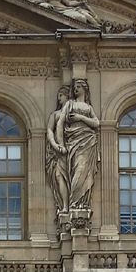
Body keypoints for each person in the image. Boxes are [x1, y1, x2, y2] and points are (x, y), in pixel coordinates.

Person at [56, 78, 100, 211]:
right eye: (74, 87)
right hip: (73, 142)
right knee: (77, 170)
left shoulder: (89, 108)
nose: (75, 89)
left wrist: (81, 118)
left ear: (84, 89)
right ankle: (74, 204)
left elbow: (96, 123)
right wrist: (61, 144)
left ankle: (79, 203)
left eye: (78, 87)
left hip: (88, 141)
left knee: (84, 170)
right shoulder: (69, 104)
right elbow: (60, 124)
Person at [45, 86, 71, 213]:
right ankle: (65, 206)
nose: (58, 98)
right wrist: (56, 146)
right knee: (59, 176)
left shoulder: (73, 113)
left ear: (67, 96)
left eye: (61, 95)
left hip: (73, 149)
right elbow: (50, 130)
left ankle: (72, 206)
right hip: (59, 152)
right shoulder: (55, 115)